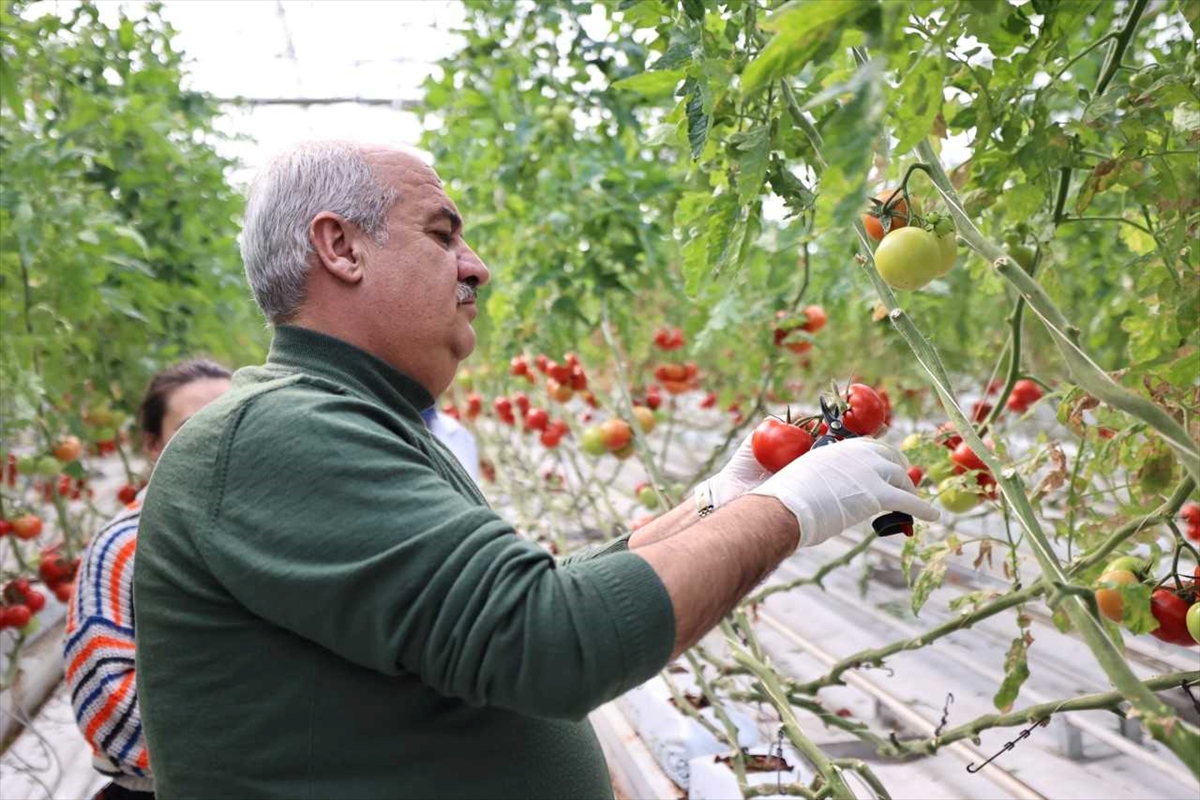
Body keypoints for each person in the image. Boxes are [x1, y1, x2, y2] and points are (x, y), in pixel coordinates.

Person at [133, 141, 936, 799]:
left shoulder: (353, 419)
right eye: (443, 235)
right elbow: (548, 640)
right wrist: (794, 509)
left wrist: (719, 504)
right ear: (339, 247)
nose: (476, 266)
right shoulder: (278, 431)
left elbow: (501, 610)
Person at [65, 359, 233, 800]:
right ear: (154, 445)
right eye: (193, 427)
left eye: (236, 419)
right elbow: (106, 703)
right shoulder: (124, 548)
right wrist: (250, 746)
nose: (220, 438)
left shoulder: (277, 532)